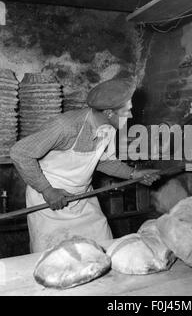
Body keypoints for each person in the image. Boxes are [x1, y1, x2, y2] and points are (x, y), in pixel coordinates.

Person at [10, 76, 160, 253]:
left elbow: (103, 162)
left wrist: (134, 174)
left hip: (83, 199)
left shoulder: (109, 128)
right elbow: (20, 152)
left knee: (103, 249)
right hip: (50, 201)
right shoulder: (65, 127)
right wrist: (47, 190)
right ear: (109, 113)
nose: (131, 116)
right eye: (127, 111)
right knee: (55, 257)